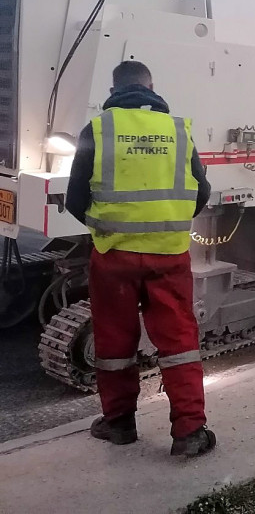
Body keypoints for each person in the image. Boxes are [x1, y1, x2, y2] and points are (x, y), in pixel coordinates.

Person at [65, 60, 216, 457]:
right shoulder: (178, 130)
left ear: (114, 91)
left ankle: (119, 425)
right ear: (151, 86)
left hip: (113, 257)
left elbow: (74, 200)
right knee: (179, 340)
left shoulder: (98, 130)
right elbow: (201, 194)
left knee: (114, 340)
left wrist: (108, 229)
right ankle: (189, 432)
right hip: (168, 256)